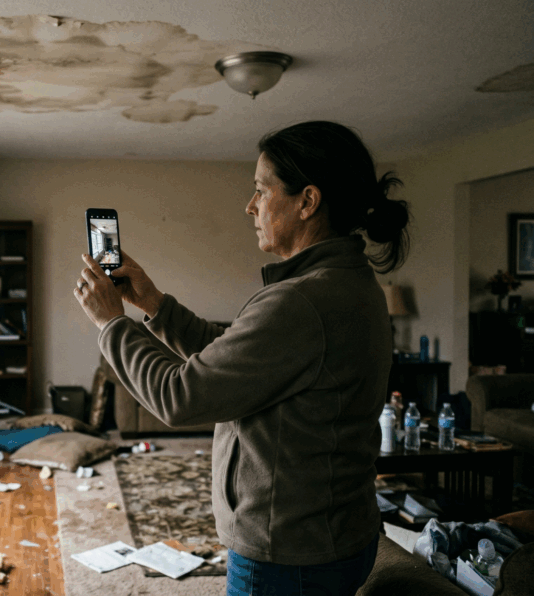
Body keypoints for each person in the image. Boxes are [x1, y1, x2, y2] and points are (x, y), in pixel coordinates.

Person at [73, 121, 410, 596]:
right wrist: (152, 303)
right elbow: (232, 353)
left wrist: (111, 324)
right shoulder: (347, 284)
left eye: (260, 190)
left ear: (307, 201)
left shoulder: (301, 301)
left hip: (288, 554)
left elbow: (181, 397)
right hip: (335, 534)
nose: (250, 206)